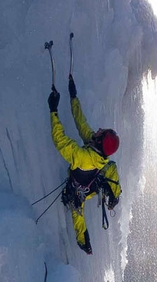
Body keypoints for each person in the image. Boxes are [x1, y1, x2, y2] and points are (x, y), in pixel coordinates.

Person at [47, 75, 122, 255]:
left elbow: (60, 141)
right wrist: (73, 97)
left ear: (99, 140)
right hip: (92, 184)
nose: (98, 130)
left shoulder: (82, 157)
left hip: (78, 190)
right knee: (111, 168)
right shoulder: (99, 154)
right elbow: (81, 123)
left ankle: (83, 243)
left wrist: (53, 110)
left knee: (76, 209)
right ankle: (114, 197)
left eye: (101, 132)